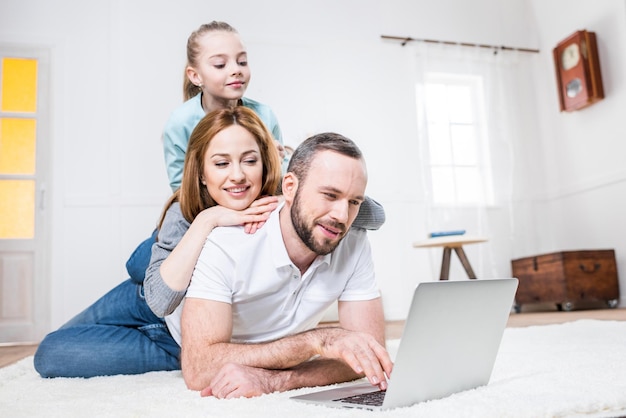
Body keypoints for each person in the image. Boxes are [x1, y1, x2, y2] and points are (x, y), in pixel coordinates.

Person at [33, 106, 283, 378]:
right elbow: (160, 300)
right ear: (201, 173)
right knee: (139, 264)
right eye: (222, 163)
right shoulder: (185, 211)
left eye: (249, 161)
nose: (237, 175)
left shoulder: (280, 209)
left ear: (265, 163)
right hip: (144, 296)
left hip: (171, 338)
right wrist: (208, 219)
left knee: (52, 352)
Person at [167, 132, 393, 399]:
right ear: (289, 187)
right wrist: (316, 340)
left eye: (354, 202)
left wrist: (277, 380)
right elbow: (198, 369)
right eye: (329, 195)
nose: (342, 216)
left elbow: (370, 355)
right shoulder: (227, 242)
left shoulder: (354, 241)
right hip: (164, 328)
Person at [163, 21, 286, 191]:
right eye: (220, 64)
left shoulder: (264, 115)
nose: (236, 70)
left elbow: (283, 178)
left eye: (242, 62)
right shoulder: (180, 123)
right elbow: (181, 190)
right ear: (195, 76)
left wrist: (275, 164)